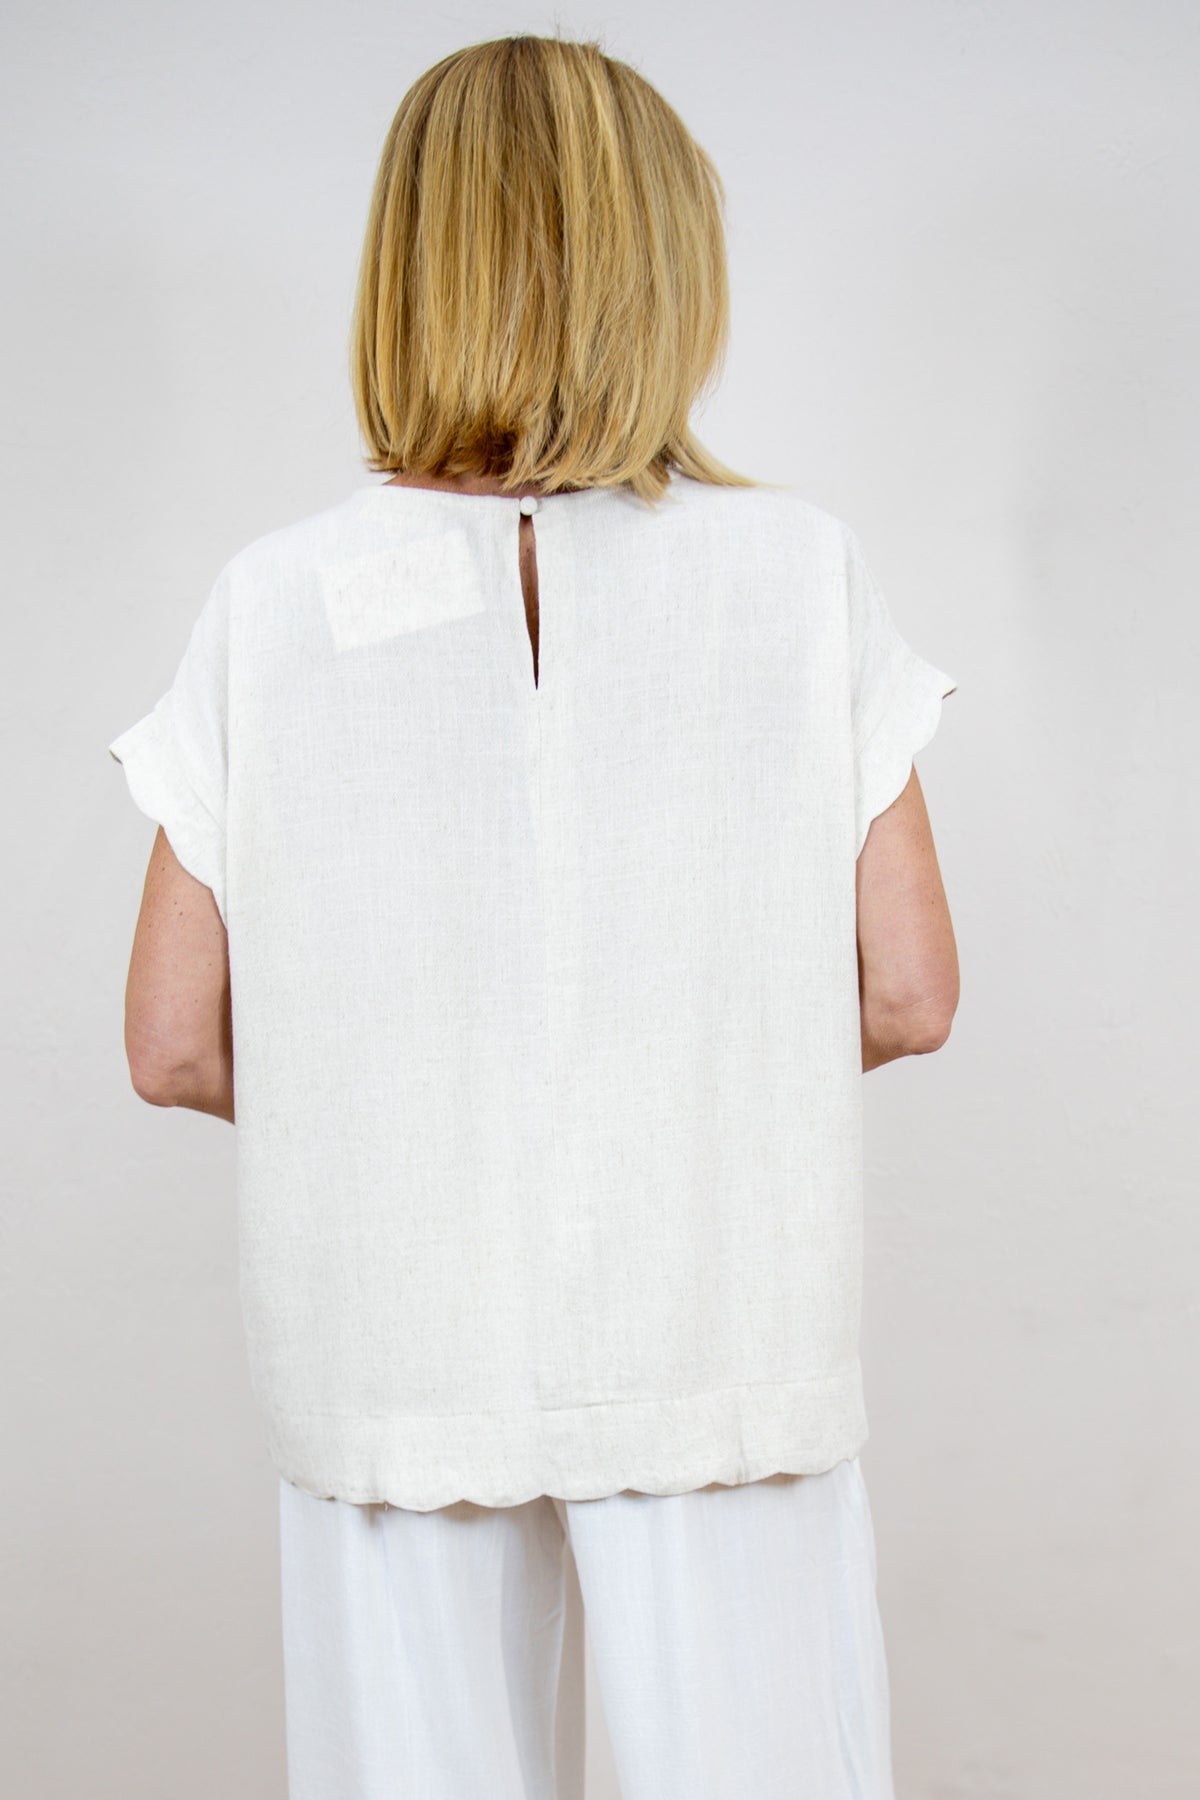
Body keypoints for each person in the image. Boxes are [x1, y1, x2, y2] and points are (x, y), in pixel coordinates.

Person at [107, 33, 959, 1800]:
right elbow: (908, 992)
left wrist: (410, 1117)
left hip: (392, 1335)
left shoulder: (275, 604)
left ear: (408, 269)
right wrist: (686, 1082)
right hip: (718, 1314)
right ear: (666, 264)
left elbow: (174, 1041)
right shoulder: (795, 578)